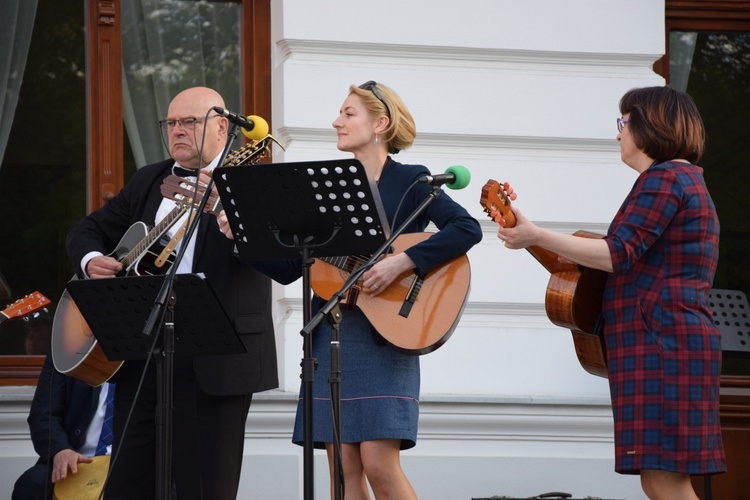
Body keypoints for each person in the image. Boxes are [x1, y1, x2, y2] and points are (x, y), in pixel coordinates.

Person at [66, 86, 298, 499]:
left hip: (218, 358)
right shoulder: (149, 179)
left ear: (223, 126)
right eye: (171, 123)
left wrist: (233, 220)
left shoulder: (253, 182)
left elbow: (288, 267)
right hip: (143, 355)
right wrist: (91, 260)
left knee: (204, 490)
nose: (177, 131)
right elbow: (86, 230)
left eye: (190, 121)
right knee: (126, 486)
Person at [495, 86, 726, 499]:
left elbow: (616, 253)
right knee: (660, 479)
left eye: (623, 122)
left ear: (650, 123)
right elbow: (613, 263)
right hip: (667, 343)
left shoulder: (665, 178)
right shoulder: (678, 179)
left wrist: (537, 234)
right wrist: (530, 236)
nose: (618, 134)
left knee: (665, 481)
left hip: (662, 347)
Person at [273, 80, 482, 499]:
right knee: (342, 471)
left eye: (348, 113)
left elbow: (467, 228)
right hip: (332, 330)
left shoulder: (412, 181)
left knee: (378, 464)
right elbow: (284, 268)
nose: (337, 121)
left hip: (386, 335)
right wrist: (236, 234)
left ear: (381, 123)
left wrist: (404, 261)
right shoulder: (323, 188)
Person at [12, 352, 114, 499]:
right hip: (77, 460)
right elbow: (43, 413)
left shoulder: (151, 360)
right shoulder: (69, 349)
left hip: (128, 462)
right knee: (32, 482)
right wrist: (60, 449)